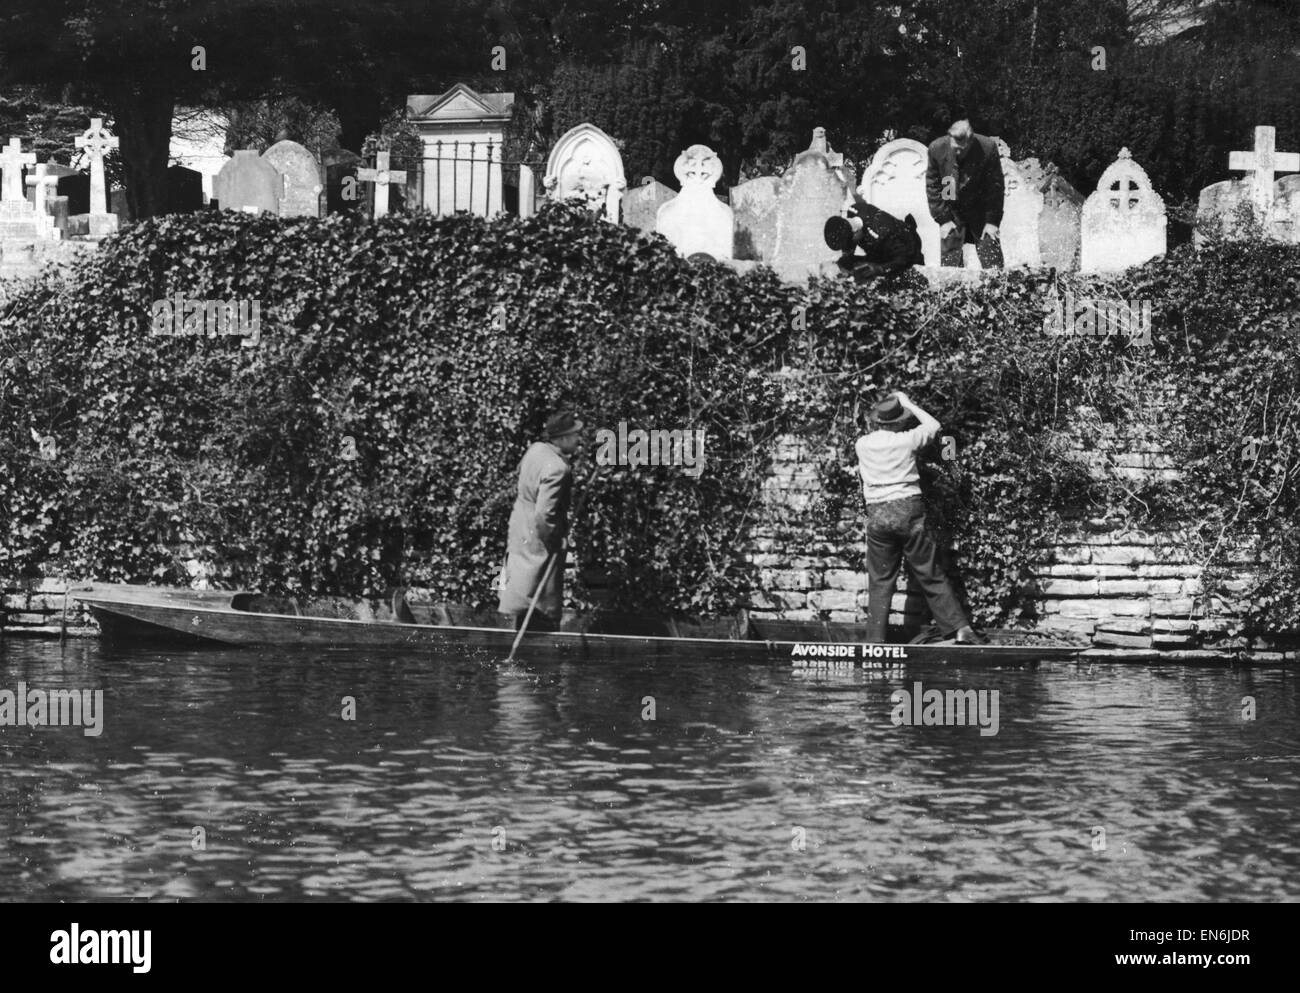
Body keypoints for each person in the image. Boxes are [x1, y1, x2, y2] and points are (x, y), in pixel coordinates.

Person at [855, 392, 986, 644]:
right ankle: (960, 629)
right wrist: (908, 403)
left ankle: (874, 641)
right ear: (898, 421)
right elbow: (935, 426)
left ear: (877, 421)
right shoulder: (908, 440)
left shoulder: (862, 444)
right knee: (929, 572)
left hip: (877, 514)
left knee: (880, 579)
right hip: (908, 509)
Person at [498, 410, 584, 632]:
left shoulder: (535, 450)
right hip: (538, 536)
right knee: (540, 595)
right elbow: (544, 514)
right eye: (575, 435)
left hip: (520, 526)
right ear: (563, 438)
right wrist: (556, 539)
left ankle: (524, 636)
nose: (578, 439)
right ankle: (538, 644)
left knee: (523, 589)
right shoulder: (557, 468)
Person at [925, 118, 1005, 269]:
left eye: (961, 150)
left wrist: (992, 221)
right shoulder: (936, 149)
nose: (957, 153)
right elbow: (933, 186)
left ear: (971, 142)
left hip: (980, 210)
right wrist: (943, 219)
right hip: (952, 210)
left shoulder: (987, 148)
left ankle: (998, 289)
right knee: (950, 263)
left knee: (992, 260)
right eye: (954, 148)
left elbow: (995, 188)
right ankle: (950, 290)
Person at [824, 191, 925, 281]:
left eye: (850, 243)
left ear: (856, 232)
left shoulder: (882, 232)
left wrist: (880, 269)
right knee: (846, 263)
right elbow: (848, 250)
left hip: (908, 250)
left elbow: (904, 259)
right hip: (879, 252)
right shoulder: (853, 210)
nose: (849, 247)